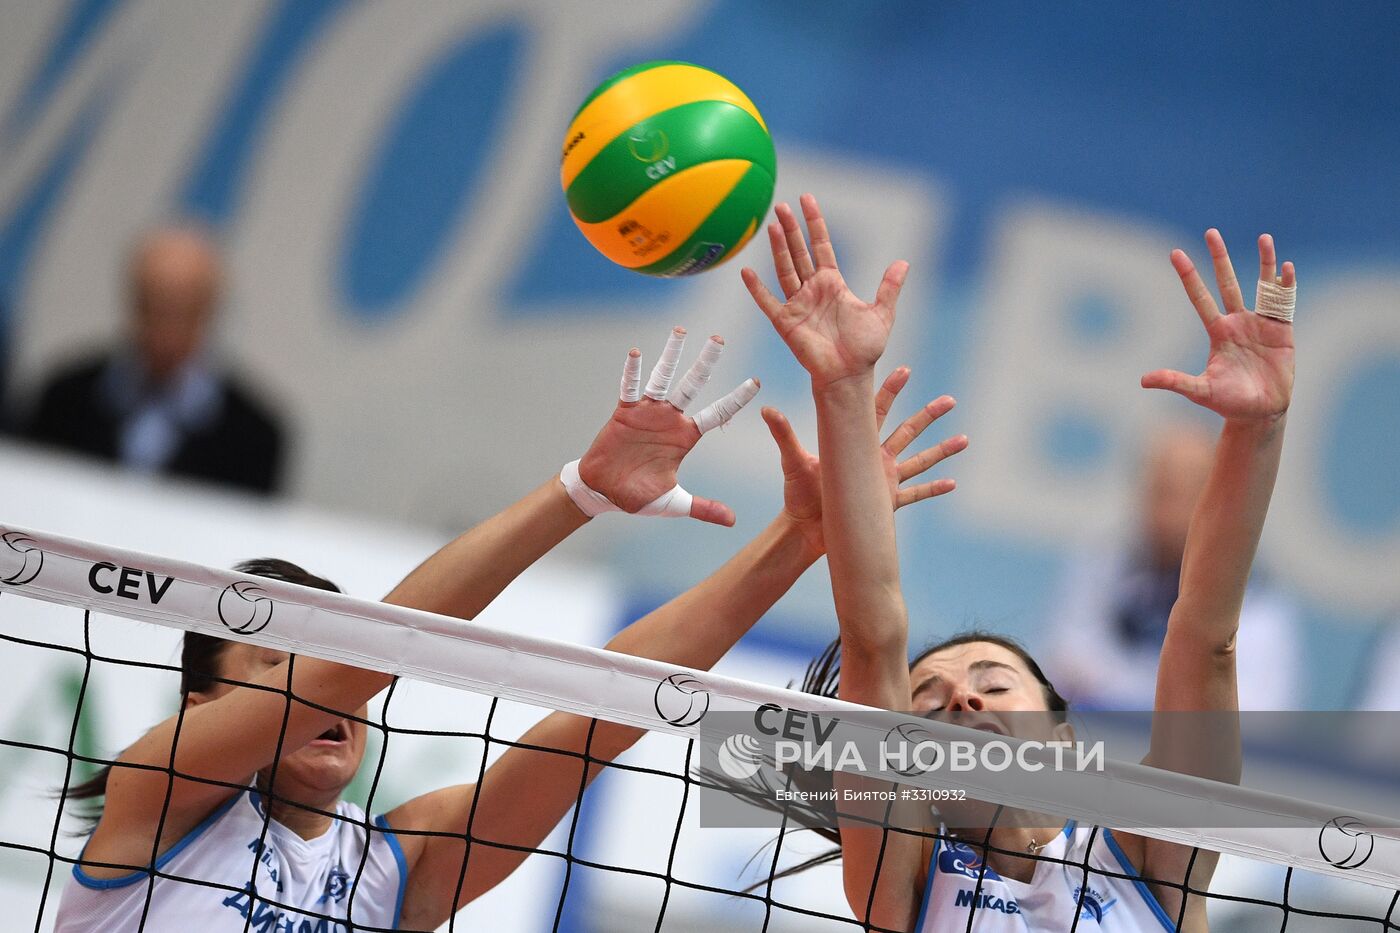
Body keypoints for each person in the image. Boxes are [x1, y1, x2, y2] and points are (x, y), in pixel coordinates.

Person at [54, 327, 966, 931]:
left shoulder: (391, 867)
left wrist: (799, 538)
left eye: (313, 654)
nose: (317, 686)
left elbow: (602, 713)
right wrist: (578, 492)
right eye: (271, 662)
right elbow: (361, 659)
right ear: (202, 701)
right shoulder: (155, 794)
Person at [741, 194, 1294, 930]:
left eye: (993, 683)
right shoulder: (905, 881)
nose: (964, 701)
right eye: (930, 703)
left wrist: (1258, 429)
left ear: (1063, 739)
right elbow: (873, 636)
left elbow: (1204, 637)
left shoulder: (1146, 860)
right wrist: (842, 387)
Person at [1044, 422, 1301, 710]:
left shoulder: (1259, 606)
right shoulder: (1104, 563)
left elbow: (1244, 715)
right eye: (1159, 489)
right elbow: (1066, 666)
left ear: (1217, 501)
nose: (1167, 510)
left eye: (1184, 492)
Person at [19, 226, 285, 494]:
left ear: (209, 309)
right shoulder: (64, 400)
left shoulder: (254, 436)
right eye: (153, 306)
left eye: (182, 310)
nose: (166, 330)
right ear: (132, 302)